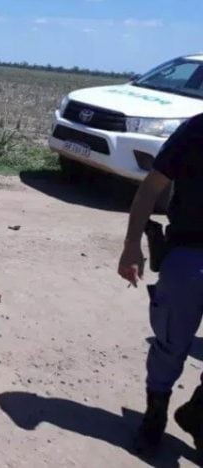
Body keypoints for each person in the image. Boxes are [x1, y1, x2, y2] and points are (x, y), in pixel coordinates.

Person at [118, 112, 203, 458]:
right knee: (170, 343)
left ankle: (198, 415)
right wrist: (131, 245)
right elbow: (152, 187)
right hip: (190, 252)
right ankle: (155, 418)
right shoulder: (196, 130)